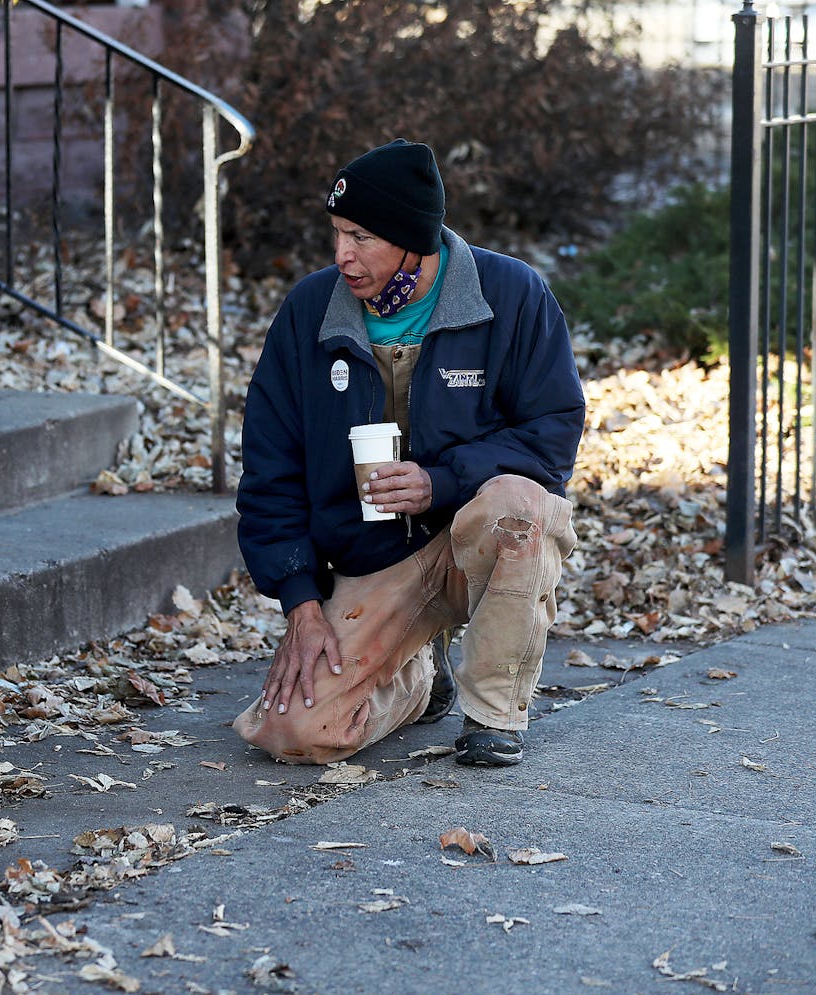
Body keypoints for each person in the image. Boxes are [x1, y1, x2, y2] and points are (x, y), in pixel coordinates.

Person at [232, 139, 584, 768]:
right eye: (337, 233)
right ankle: (418, 680)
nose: (342, 254)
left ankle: (494, 714)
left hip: (475, 540)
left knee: (517, 506)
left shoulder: (512, 295)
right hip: (370, 558)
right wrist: (301, 603)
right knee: (295, 733)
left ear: (413, 241)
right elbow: (270, 467)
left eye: (362, 236)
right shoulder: (309, 312)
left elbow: (552, 432)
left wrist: (441, 482)